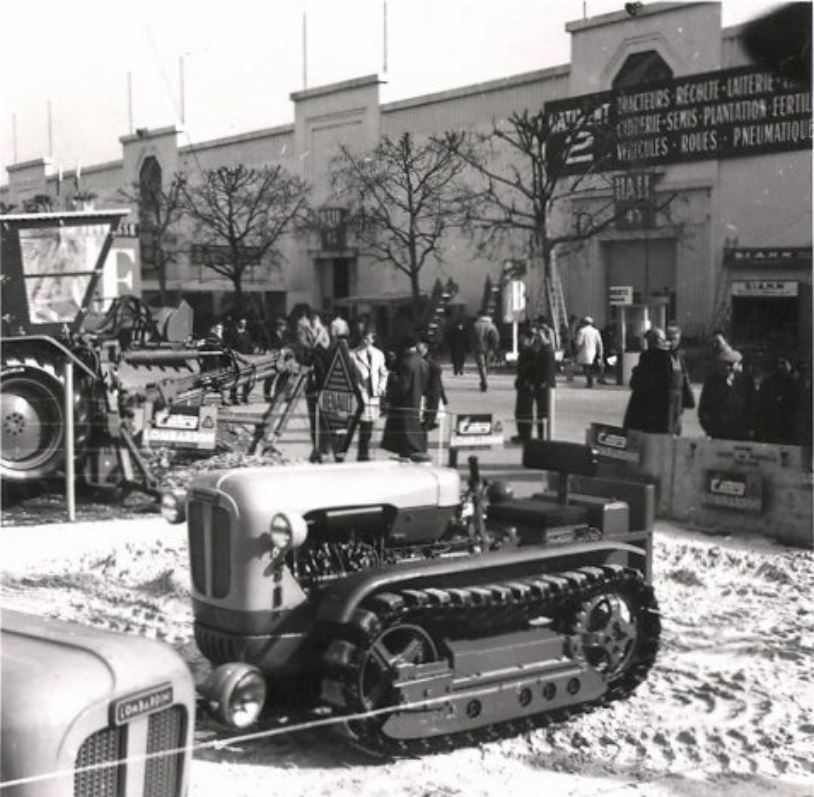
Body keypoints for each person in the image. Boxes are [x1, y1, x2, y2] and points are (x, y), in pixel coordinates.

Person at [380, 335, 430, 461]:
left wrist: (391, 381)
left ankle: (406, 458)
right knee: (412, 434)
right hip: (416, 401)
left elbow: (402, 387)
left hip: (404, 405)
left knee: (405, 439)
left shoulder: (407, 362)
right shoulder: (421, 361)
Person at [698, 346, 756, 441]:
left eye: (732, 364)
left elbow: (753, 408)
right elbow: (703, 410)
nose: (728, 367)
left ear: (738, 365)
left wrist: (747, 428)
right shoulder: (712, 382)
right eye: (725, 364)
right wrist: (711, 429)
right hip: (718, 435)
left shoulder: (746, 382)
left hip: (741, 435)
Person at [512, 323, 557, 443]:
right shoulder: (538, 350)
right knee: (528, 411)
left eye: (539, 336)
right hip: (535, 384)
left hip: (539, 385)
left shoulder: (543, 351)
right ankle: (532, 435)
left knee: (537, 412)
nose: (537, 338)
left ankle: (538, 436)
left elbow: (544, 369)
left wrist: (539, 382)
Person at [623, 327, 673, 433]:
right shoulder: (665, 357)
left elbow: (636, 383)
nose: (649, 343)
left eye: (651, 340)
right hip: (657, 409)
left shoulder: (655, 357)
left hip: (647, 407)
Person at [351, 327, 388, 461]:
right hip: (361, 395)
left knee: (370, 427)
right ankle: (362, 454)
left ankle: (365, 454)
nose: (366, 341)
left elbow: (384, 373)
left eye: (369, 338)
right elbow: (351, 376)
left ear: (373, 340)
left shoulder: (379, 354)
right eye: (364, 338)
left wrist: (381, 388)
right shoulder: (353, 354)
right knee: (361, 427)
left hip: (374, 396)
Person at [755, 356, 797, 444]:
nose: (781, 366)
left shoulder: (795, 384)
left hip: (788, 425)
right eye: (779, 363)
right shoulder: (768, 383)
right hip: (770, 425)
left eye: (784, 363)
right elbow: (760, 404)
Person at [666, 323, 695, 435]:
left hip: (678, 401)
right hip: (667, 400)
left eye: (675, 339)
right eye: (670, 339)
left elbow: (684, 376)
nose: (672, 342)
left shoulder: (679, 356)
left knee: (677, 430)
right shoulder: (662, 355)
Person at [419, 339, 447, 431]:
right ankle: (428, 421)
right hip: (432, 385)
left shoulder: (429, 362)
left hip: (432, 385)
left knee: (431, 403)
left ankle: (429, 421)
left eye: (421, 349)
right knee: (430, 403)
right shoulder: (426, 360)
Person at [471, 310, 500, 392]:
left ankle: (483, 381)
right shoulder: (492, 326)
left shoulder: (475, 325)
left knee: (481, 366)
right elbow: (495, 338)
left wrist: (472, 347)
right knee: (486, 365)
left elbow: (471, 338)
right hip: (489, 349)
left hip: (478, 348)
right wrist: (494, 348)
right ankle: (485, 379)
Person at [229, 317, 254, 404]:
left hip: (245, 358)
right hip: (236, 358)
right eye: (241, 323)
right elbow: (230, 346)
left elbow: (249, 345)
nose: (243, 324)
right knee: (236, 378)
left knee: (247, 378)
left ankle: (245, 397)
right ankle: (233, 397)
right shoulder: (234, 334)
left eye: (245, 323)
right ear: (238, 323)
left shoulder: (247, 333)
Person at [574, 316, 604, 388]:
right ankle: (590, 381)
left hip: (584, 352)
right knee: (590, 368)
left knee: (586, 368)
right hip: (593, 352)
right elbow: (599, 343)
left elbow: (579, 343)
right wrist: (600, 352)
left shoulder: (582, 331)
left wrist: (576, 350)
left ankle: (589, 382)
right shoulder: (596, 331)